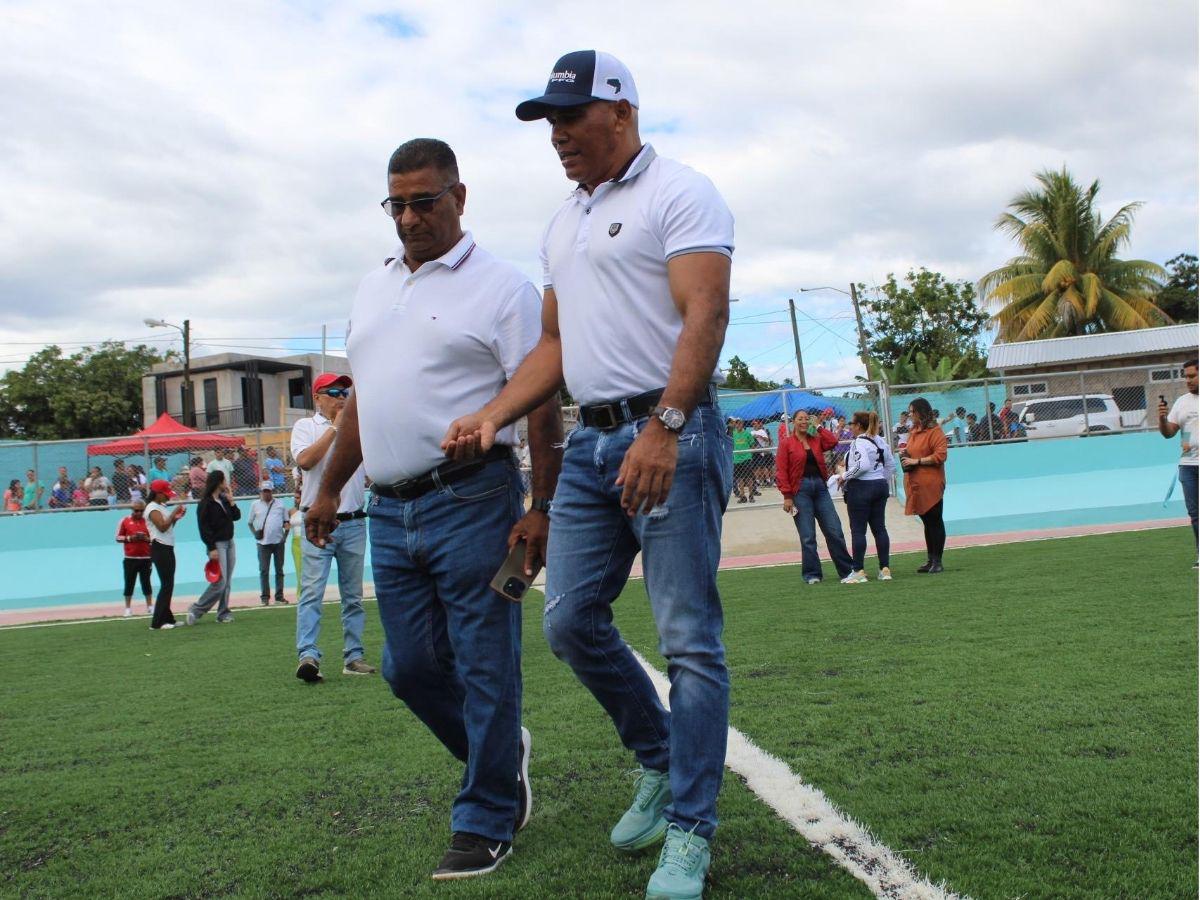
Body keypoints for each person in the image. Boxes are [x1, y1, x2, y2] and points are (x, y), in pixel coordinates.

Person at [442, 52, 735, 897]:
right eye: (548, 122)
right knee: (568, 621)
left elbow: (705, 312)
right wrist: (496, 415)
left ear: (623, 112)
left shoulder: (680, 191)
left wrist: (666, 425)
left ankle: (690, 832)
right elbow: (554, 347)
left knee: (688, 642)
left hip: (667, 431)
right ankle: (658, 755)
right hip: (591, 445)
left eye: (571, 117)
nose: (559, 135)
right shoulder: (562, 221)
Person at [308, 137, 560, 881]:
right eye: (398, 204)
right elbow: (364, 402)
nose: (411, 217)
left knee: (485, 664)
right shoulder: (373, 287)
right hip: (389, 510)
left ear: (459, 196)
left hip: (476, 499)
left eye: (425, 200)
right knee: (408, 667)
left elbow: (542, 404)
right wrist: (327, 488)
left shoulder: (502, 288)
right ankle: (503, 754)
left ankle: (485, 818)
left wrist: (540, 504)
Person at [291, 373, 375, 681]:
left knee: (353, 595)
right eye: (334, 391)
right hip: (318, 524)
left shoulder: (358, 429)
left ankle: (353, 657)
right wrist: (335, 430)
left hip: (353, 522)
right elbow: (305, 461)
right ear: (317, 397)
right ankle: (308, 656)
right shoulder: (306, 427)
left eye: (346, 392)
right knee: (312, 592)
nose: (341, 397)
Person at [776, 409, 854, 585]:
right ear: (793, 422)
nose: (804, 422)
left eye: (806, 419)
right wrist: (787, 496)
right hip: (800, 490)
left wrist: (818, 426)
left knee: (834, 530)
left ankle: (847, 570)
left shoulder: (816, 440)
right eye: (800, 419)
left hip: (820, 488)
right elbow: (781, 471)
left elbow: (833, 441)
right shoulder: (786, 444)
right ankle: (812, 574)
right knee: (808, 535)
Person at [838, 411, 895, 583]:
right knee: (880, 529)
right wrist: (879, 479)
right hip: (880, 487)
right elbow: (891, 466)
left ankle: (858, 571)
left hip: (861, 488)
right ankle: (884, 569)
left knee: (858, 530)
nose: (850, 427)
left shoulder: (858, 442)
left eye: (852, 424)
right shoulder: (880, 441)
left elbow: (863, 465)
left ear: (858, 426)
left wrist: (845, 476)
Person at [899, 397, 949, 573]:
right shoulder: (914, 432)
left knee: (935, 520)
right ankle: (930, 559)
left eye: (912, 411)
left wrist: (916, 461)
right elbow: (912, 452)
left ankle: (938, 560)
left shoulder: (935, 432)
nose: (910, 415)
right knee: (927, 522)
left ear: (921, 412)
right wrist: (905, 454)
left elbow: (940, 456)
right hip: (916, 484)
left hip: (931, 484)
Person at [1158, 359, 1199, 563]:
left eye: (1192, 376)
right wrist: (1162, 419)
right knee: (1195, 514)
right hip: (1188, 467)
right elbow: (1169, 433)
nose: (1188, 380)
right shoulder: (1182, 401)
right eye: (1186, 376)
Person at [187, 470, 240, 624]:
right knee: (220, 582)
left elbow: (236, 516)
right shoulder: (205, 503)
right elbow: (204, 527)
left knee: (227, 581)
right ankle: (197, 609)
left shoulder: (223, 500)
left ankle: (223, 612)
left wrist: (231, 500)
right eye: (224, 481)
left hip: (230, 542)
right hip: (218, 544)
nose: (226, 483)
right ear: (218, 482)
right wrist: (211, 548)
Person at [145, 479, 187, 629]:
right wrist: (174, 512)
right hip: (159, 547)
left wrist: (176, 518)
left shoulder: (160, 507)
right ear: (158, 494)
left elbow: (168, 527)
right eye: (166, 494)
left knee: (169, 584)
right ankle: (157, 622)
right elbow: (162, 527)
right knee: (166, 584)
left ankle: (168, 618)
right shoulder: (151, 508)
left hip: (167, 546)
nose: (169, 497)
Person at [249, 480, 289, 605]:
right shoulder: (255, 505)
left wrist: (285, 536)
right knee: (264, 570)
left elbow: (286, 522)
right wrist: (255, 534)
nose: (266, 493)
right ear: (261, 492)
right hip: (263, 543)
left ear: (272, 491)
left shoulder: (280, 504)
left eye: (268, 491)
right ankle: (265, 597)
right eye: (264, 491)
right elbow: (250, 522)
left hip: (278, 542)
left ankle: (279, 596)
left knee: (279, 570)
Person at [115, 500, 154, 616]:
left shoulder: (149, 521)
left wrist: (146, 539)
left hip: (146, 558)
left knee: (146, 582)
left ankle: (150, 606)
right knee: (129, 582)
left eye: (142, 511)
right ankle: (127, 608)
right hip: (130, 558)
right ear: (132, 510)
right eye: (136, 510)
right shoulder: (125, 521)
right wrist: (130, 538)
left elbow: (155, 537)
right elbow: (118, 537)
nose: (139, 513)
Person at [731, 419, 756, 502]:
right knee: (740, 479)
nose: (738, 425)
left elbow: (752, 445)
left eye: (740, 423)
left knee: (749, 478)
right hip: (737, 460)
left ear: (742, 424)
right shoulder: (733, 434)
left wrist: (749, 454)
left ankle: (751, 495)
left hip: (746, 459)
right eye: (737, 424)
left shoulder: (747, 434)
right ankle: (742, 496)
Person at [289, 490, 304, 586]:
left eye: (298, 497)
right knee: (298, 568)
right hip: (295, 542)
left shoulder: (308, 510)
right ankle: (300, 593)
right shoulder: (291, 511)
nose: (296, 500)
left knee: (307, 568)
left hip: (306, 539)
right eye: (295, 497)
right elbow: (286, 525)